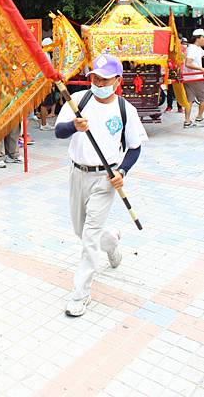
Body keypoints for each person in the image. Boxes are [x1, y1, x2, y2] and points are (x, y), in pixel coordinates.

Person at [55, 54, 147, 317]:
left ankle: (80, 294)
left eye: (104, 78)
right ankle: (113, 241)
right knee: (79, 229)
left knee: (89, 236)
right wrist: (73, 125)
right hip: (77, 173)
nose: (98, 82)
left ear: (117, 81)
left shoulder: (124, 109)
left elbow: (134, 147)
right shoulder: (79, 101)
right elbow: (58, 132)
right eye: (94, 77)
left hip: (105, 180)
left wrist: (122, 171)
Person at [183, 29, 204, 128]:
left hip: (189, 78)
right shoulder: (193, 49)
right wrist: (201, 68)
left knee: (189, 100)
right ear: (198, 38)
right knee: (203, 99)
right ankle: (199, 118)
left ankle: (187, 121)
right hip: (195, 78)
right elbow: (188, 63)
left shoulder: (196, 48)